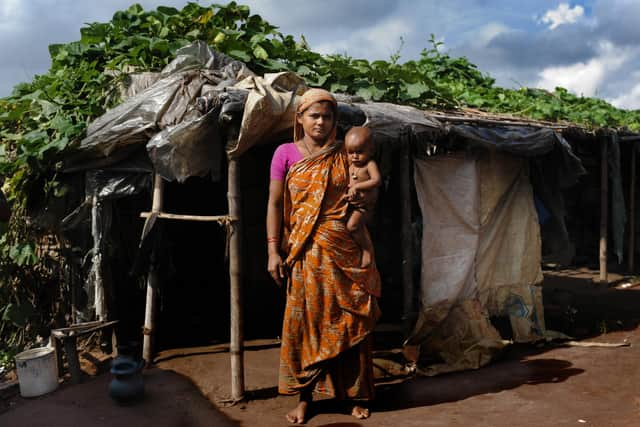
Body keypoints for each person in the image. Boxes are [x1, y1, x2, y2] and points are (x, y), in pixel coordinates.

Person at [266, 88, 381, 424]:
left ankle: (354, 396)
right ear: (299, 118)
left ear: (335, 121)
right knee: (306, 322)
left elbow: (366, 196)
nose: (320, 122)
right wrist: (273, 250)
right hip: (302, 252)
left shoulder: (347, 154)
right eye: (314, 115)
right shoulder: (284, 153)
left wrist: (363, 217)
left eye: (327, 116)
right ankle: (305, 398)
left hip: (344, 248)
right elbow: (274, 203)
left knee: (349, 318)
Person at [344, 127, 381, 268]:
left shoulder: (369, 165)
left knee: (352, 226)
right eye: (351, 152)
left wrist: (357, 187)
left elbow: (376, 180)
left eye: (359, 152)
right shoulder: (350, 165)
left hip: (364, 206)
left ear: (370, 151)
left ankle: (367, 251)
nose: (354, 156)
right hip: (352, 205)